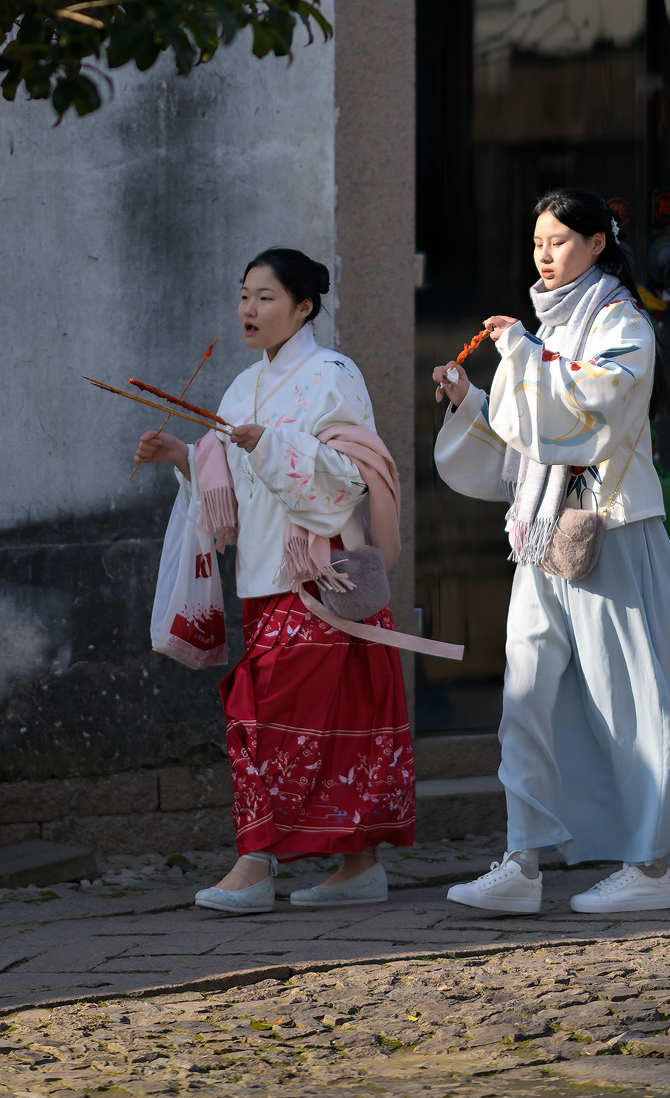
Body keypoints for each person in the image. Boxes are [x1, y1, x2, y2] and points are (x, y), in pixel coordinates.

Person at [430, 189, 670, 914]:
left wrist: (518, 353)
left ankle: (648, 867)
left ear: (597, 244)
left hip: (609, 528)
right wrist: (469, 404)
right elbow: (529, 440)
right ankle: (521, 859)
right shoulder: (555, 327)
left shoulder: (622, 321)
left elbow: (586, 415)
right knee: (525, 696)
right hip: (546, 530)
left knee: (629, 697)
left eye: (558, 240)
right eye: (537, 242)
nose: (544, 254)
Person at [136, 248, 415, 914]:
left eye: (265, 297)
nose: (249, 310)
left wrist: (270, 445)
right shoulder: (239, 386)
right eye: (243, 296)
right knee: (330, 722)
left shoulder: (333, 373)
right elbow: (226, 478)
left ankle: (255, 865)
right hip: (264, 579)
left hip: (322, 578)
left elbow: (353, 473)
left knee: (258, 717)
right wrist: (183, 454)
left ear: (304, 307)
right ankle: (359, 866)